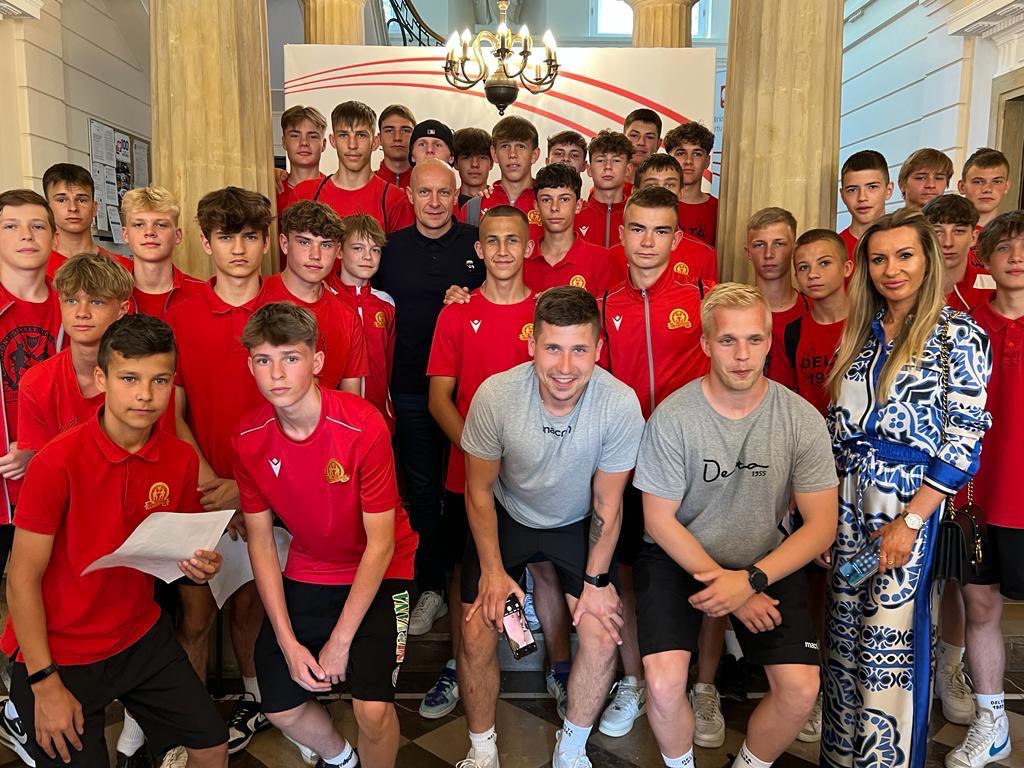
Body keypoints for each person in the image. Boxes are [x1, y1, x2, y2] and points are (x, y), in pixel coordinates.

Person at [1, 313, 228, 768]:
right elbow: (21, 579)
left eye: (159, 380)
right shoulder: (57, 462)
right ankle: (18, 712)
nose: (145, 395)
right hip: (58, 649)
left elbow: (175, 549)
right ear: (102, 379)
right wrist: (45, 683)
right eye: (129, 378)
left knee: (212, 744)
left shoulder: (181, 459)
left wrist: (199, 566)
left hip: (138, 634)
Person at [635, 282, 837, 768]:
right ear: (706, 344)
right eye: (728, 340)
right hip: (679, 557)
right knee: (662, 683)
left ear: (769, 342)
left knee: (801, 689)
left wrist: (749, 582)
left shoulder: (800, 418)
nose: (742, 355)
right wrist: (733, 589)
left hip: (762, 559)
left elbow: (821, 526)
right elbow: (658, 520)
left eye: (754, 340)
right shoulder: (674, 417)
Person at [822, 208, 992, 768]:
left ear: (928, 260)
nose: (891, 269)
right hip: (846, 502)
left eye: (904, 256)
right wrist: (821, 519)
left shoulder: (958, 336)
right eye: (879, 259)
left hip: (907, 504)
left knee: (889, 647)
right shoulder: (859, 336)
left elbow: (964, 441)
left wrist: (912, 521)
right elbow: (835, 429)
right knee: (844, 642)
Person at [457, 286, 645, 768]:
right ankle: (482, 750)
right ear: (532, 345)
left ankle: (571, 749)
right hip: (508, 513)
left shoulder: (620, 403)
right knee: (477, 626)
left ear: (598, 349)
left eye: (579, 349)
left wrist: (596, 583)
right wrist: (493, 572)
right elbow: (478, 491)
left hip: (577, 521)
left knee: (601, 630)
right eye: (553, 348)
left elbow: (608, 504)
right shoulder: (496, 395)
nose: (565, 366)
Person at [237, 302, 417, 768]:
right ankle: (342, 760)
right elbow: (261, 542)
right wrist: (287, 642)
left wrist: (339, 641)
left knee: (372, 709)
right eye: (263, 360)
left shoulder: (362, 425)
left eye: (291, 358)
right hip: (311, 565)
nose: (277, 373)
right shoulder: (248, 437)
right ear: (250, 366)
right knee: (279, 706)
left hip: (383, 565)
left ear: (316, 362)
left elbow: (380, 544)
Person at [597, 186, 708, 739]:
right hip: (626, 461)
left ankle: (700, 685)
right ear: (622, 234)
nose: (648, 241)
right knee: (625, 573)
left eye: (661, 230)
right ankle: (634, 680)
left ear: (677, 238)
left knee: (701, 566)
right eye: (638, 229)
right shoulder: (605, 303)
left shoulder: (703, 296)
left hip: (691, 460)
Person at [165, 187, 273, 754]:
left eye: (250, 236)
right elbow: (172, 409)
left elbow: (293, 409)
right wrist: (212, 485)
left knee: (253, 605)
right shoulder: (182, 312)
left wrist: (245, 489)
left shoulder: (282, 310)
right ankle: (189, 717)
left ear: (265, 242)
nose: (238, 248)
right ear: (206, 243)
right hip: (201, 490)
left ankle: (256, 698)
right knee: (195, 613)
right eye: (226, 237)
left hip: (264, 487)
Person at [419, 206, 536, 720]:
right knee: (466, 570)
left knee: (538, 568)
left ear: (528, 247)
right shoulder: (456, 313)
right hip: (466, 471)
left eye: (513, 240)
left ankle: (552, 665)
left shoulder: (546, 312)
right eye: (493, 240)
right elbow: (439, 399)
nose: (503, 250)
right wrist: (478, 450)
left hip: (533, 471)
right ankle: (457, 661)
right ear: (478, 249)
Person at [375, 159, 484, 636]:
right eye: (425, 193)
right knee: (422, 494)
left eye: (444, 193)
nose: (435, 203)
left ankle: (475, 584)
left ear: (457, 196)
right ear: (410, 196)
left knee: (472, 489)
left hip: (471, 393)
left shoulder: (478, 243)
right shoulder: (390, 250)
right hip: (411, 390)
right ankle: (432, 587)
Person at [943, 211, 1024, 768]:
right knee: (980, 605)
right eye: (1005, 248)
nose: (1016, 258)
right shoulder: (965, 329)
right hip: (981, 496)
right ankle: (992, 722)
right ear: (985, 259)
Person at [260, 200, 369, 395]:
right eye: (304, 242)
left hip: (323, 415)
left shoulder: (348, 318)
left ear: (338, 251)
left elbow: (351, 400)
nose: (315, 255)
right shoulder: (257, 297)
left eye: (325, 245)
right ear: (284, 244)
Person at [290, 101, 414, 233]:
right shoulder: (304, 193)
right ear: (333, 141)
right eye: (344, 135)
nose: (352, 145)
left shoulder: (395, 199)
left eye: (361, 135)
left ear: (375, 142)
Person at [331, 214, 396, 432]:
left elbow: (389, 359)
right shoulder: (326, 298)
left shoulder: (386, 303)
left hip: (379, 414)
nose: (367, 256)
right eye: (358, 248)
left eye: (375, 250)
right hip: (336, 418)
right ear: (339, 251)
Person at [785, 229, 853, 416]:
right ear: (796, 276)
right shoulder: (793, 332)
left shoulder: (871, 324)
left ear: (846, 268)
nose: (813, 274)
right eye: (803, 267)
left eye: (824, 263)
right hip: (812, 430)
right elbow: (789, 395)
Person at [629, 155, 719, 285]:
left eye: (670, 185)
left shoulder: (704, 255)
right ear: (634, 191)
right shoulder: (616, 254)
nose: (661, 191)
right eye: (651, 184)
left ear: (681, 192)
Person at [527, 164, 614, 295]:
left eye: (564, 199)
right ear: (536, 206)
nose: (554, 207)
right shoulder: (521, 258)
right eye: (546, 200)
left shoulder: (600, 259)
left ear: (578, 205)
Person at [120, 186, 205, 319]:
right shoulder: (108, 294)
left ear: (177, 235)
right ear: (125, 235)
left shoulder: (204, 294)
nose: (149, 232)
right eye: (139, 225)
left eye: (161, 225)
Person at [746, 207, 808, 387]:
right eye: (759, 245)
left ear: (794, 249)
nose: (769, 254)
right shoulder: (734, 312)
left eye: (779, 244)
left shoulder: (814, 310)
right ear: (748, 252)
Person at [459, 116, 543, 244]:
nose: (512, 154)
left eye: (521, 146)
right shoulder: (473, 208)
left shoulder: (549, 203)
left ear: (534, 155)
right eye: (505, 146)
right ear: (494, 154)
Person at [42, 164, 132, 278]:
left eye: (82, 200)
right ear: (47, 208)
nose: (73, 208)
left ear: (94, 208)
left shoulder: (122, 269)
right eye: (61, 200)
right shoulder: (36, 267)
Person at [923, 194, 992, 313]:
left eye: (958, 231)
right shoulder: (907, 285)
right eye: (937, 232)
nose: (948, 243)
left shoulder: (996, 285)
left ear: (974, 238)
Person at [575, 131, 633, 249]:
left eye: (616, 160)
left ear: (628, 169)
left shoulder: (638, 216)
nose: (608, 167)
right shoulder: (573, 215)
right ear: (589, 169)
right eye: (600, 160)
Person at [663, 122, 717, 247]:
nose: (688, 161)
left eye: (697, 154)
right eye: (681, 153)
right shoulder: (653, 203)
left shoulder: (718, 210)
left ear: (707, 161)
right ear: (669, 159)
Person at [838, 149, 893, 260]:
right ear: (842, 195)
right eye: (852, 190)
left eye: (872, 187)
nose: (862, 197)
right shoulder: (835, 250)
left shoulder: (906, 242)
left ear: (888, 190)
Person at [277, 106, 328, 218]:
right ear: (284, 142)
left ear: (323, 144)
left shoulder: (333, 189)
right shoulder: (272, 189)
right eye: (295, 136)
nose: (304, 142)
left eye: (313, 137)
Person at [958, 148, 1011, 230]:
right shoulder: (943, 232)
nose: (987, 189)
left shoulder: (1014, 234)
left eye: (997, 182)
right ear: (962, 187)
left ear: (1006, 186)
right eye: (978, 182)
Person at [375, 104, 416, 188]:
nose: (397, 138)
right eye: (389, 131)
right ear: (379, 138)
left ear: (415, 137)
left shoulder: (431, 186)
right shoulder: (364, 185)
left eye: (405, 131)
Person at [454, 128, 494, 207]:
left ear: (491, 163)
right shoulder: (444, 203)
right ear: (455, 163)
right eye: (467, 157)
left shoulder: (503, 204)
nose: (475, 164)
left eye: (482, 157)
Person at [623, 108, 662, 185]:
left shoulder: (665, 189)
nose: (641, 142)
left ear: (658, 144)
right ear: (623, 139)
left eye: (649, 137)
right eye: (634, 135)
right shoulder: (603, 185)